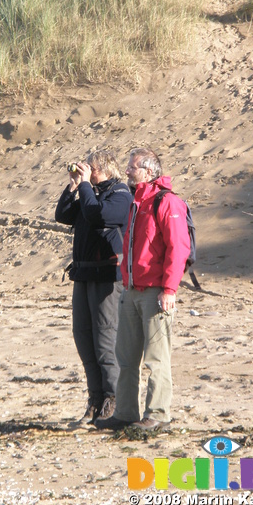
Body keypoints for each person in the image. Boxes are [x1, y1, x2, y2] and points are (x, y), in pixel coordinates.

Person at [95, 147, 190, 431]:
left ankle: (158, 414)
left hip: (156, 292)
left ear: (149, 172)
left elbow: (178, 248)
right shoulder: (138, 202)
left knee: (156, 358)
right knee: (126, 357)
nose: (126, 171)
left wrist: (170, 290)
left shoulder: (167, 202)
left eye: (132, 167)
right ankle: (125, 412)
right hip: (132, 291)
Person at [55, 150, 132, 425]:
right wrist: (74, 186)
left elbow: (97, 216)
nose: (88, 171)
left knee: (105, 341)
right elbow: (64, 215)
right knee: (84, 338)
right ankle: (95, 400)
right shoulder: (91, 193)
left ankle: (113, 400)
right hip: (84, 275)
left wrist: (86, 186)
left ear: (108, 169)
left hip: (107, 278)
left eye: (92, 168)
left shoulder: (121, 195)